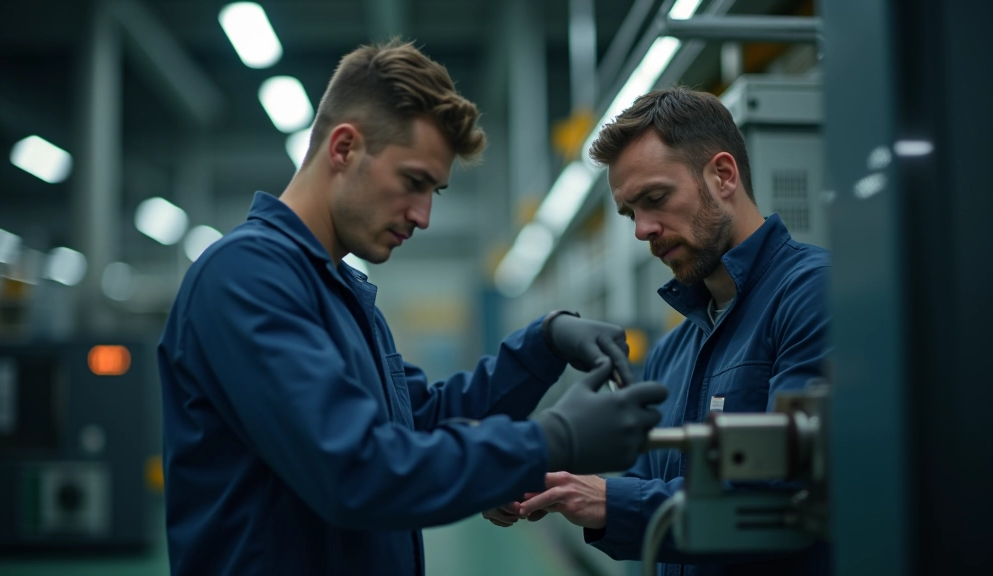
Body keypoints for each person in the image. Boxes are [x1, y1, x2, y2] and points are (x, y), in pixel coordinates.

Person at [157, 39, 671, 576]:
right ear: (343, 149)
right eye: (413, 182)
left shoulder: (338, 291)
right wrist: (552, 439)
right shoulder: (247, 277)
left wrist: (541, 346)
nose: (423, 216)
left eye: (436, 192)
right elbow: (354, 471)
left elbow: (421, 423)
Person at [483, 87, 831, 575]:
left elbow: (792, 491)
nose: (642, 229)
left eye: (656, 199)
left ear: (723, 175)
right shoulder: (674, 349)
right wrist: (556, 486)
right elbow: (645, 482)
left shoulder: (814, 294)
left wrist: (605, 499)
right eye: (630, 212)